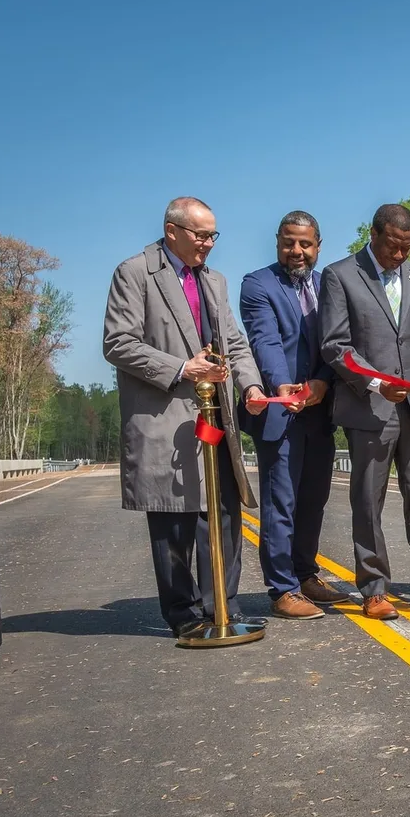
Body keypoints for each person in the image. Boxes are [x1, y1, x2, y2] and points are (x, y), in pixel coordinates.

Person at [102, 196, 268, 639]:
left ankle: (223, 609)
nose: (209, 243)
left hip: (217, 421)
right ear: (171, 230)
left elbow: (234, 342)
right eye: (201, 234)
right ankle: (186, 616)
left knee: (224, 515)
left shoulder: (214, 280)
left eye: (214, 234)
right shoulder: (135, 272)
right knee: (174, 523)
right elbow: (117, 342)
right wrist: (181, 368)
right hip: (165, 418)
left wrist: (250, 386)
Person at [319, 203, 410, 619]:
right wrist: (378, 383)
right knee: (368, 501)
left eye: (407, 248)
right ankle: (374, 589)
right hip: (369, 408)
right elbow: (335, 345)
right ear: (374, 234)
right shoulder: (340, 276)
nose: (399, 256)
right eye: (393, 246)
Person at [238, 211, 347, 620]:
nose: (296, 251)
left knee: (314, 499)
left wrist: (320, 382)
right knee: (280, 501)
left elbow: (337, 341)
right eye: (288, 242)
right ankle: (282, 588)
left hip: (321, 409)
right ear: (278, 242)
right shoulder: (258, 284)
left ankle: (305, 574)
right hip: (280, 411)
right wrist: (283, 387)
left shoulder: (329, 284)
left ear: (318, 245)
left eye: (305, 244)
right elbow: (264, 338)